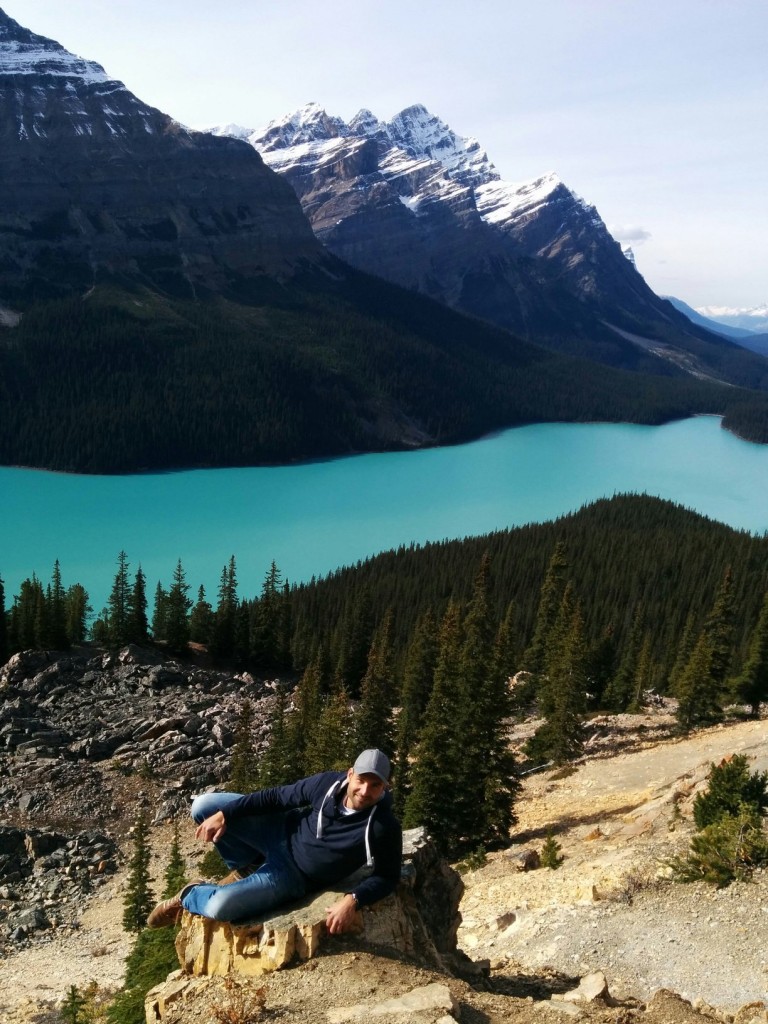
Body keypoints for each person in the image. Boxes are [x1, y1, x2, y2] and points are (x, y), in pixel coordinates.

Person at [147, 748, 402, 934]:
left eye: (375, 785)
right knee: (204, 806)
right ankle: (248, 865)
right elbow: (277, 797)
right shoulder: (328, 784)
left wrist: (353, 899)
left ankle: (189, 895)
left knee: (219, 906)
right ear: (350, 774)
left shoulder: (383, 826)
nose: (365, 791)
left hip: (292, 875)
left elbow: (387, 876)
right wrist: (225, 815)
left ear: (384, 787)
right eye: (361, 781)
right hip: (279, 830)